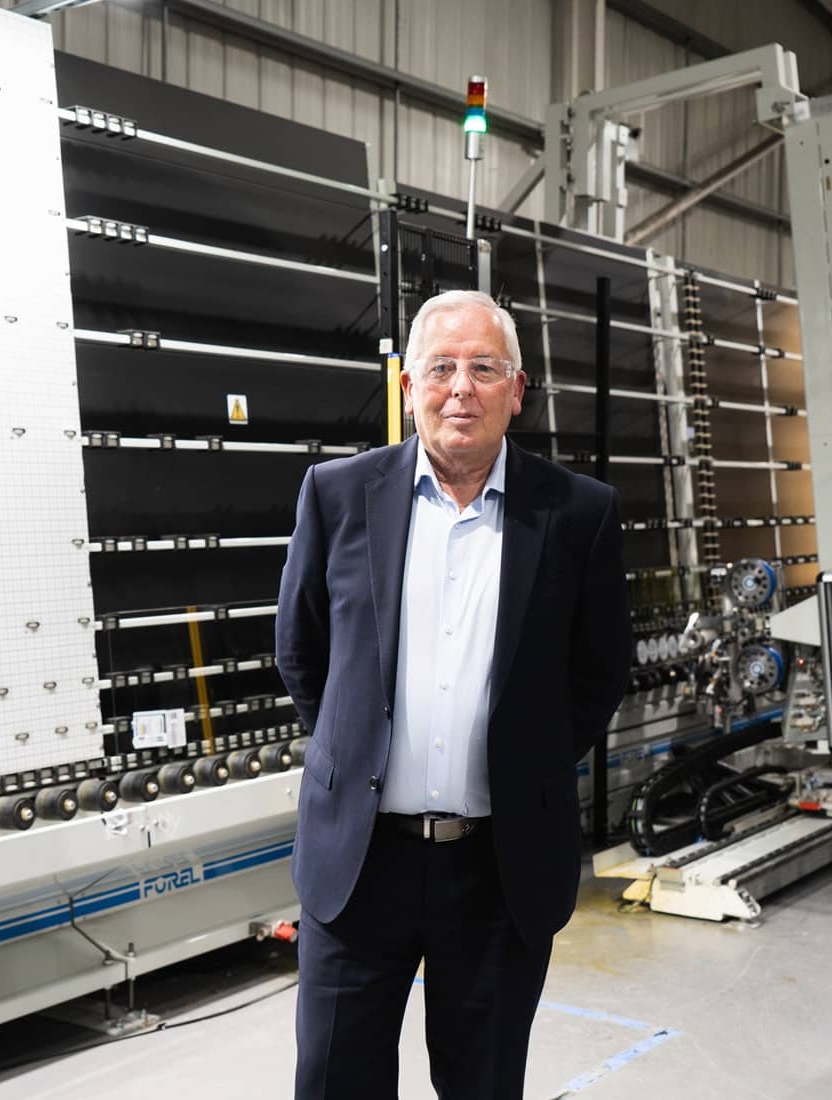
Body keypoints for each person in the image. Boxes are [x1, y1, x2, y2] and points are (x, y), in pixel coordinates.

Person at [276, 289, 631, 1099]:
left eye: (483, 368)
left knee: (482, 1085)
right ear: (408, 386)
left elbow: (598, 670)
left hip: (498, 869)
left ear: (517, 388)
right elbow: (301, 653)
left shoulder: (578, 513)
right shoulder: (336, 496)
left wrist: (524, 764)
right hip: (358, 862)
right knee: (334, 1081)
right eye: (441, 368)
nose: (460, 388)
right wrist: (355, 750)